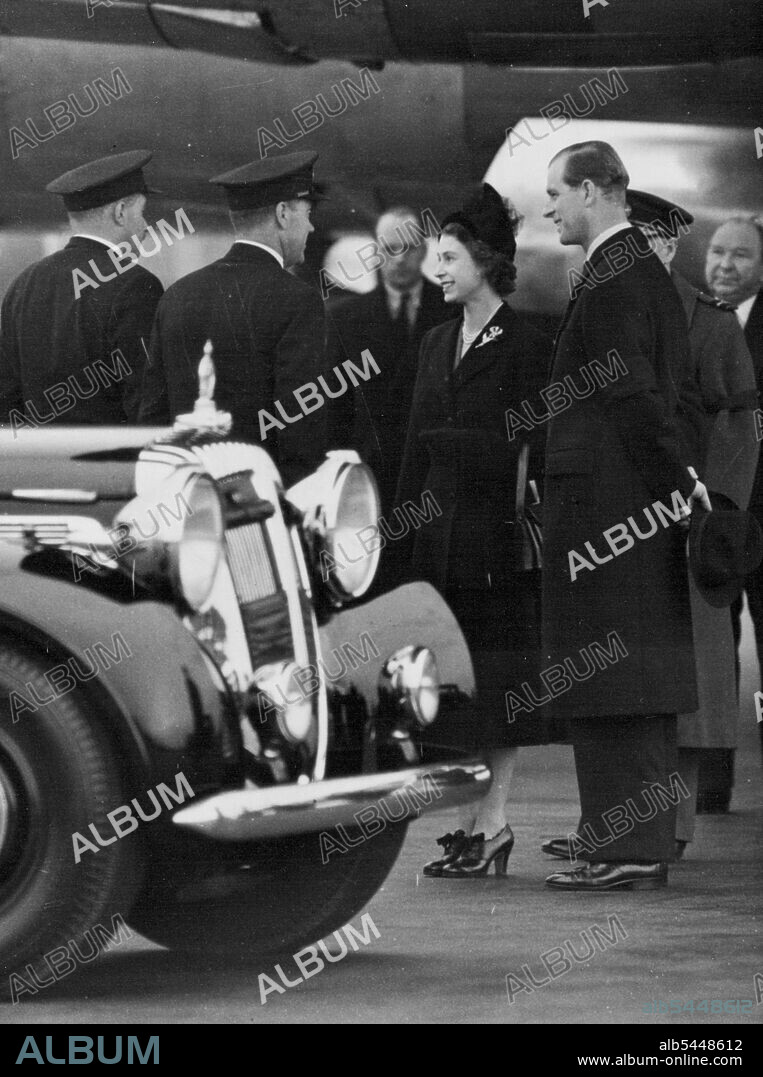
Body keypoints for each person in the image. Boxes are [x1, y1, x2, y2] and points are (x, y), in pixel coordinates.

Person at [540, 191, 759, 865]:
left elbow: (732, 420)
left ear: (666, 242)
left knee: (673, 679)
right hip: (642, 508)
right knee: (640, 676)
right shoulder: (629, 299)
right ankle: (624, 825)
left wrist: (709, 503)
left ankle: (670, 827)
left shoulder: (704, 319)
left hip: (681, 515)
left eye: (654, 238)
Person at [395, 183, 552, 878]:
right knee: (455, 687)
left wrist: (466, 446)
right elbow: (410, 447)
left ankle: (490, 823)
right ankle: (470, 821)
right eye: (437, 255)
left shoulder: (525, 345)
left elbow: (538, 444)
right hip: (437, 536)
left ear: (485, 263)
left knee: (498, 681)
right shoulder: (434, 341)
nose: (438, 268)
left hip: (493, 537)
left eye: (451, 256)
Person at [139, 150, 328, 486]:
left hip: (184, 503)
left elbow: (152, 417)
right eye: (307, 214)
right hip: (259, 508)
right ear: (283, 214)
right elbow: (300, 425)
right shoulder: (299, 300)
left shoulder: (176, 296)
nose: (311, 226)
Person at [0, 150, 163, 429]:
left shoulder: (23, 284)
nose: (147, 227)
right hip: (110, 465)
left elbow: (7, 398)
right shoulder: (137, 284)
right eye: (142, 213)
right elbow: (146, 399)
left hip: (38, 465)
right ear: (121, 212)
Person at [326, 206, 452, 515]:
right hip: (370, 478)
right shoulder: (345, 319)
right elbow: (335, 405)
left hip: (432, 475)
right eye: (389, 249)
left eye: (407, 248)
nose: (398, 258)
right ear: (375, 253)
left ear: (423, 250)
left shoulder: (453, 310)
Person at [706, 216, 763, 803]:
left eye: (741, 256)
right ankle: (709, 789)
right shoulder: (694, 317)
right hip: (717, 519)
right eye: (718, 252)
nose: (725, 264)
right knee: (713, 652)